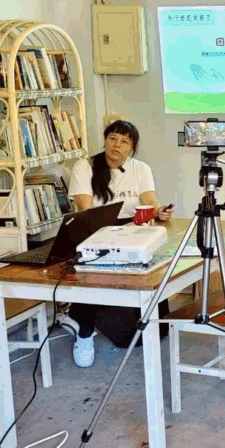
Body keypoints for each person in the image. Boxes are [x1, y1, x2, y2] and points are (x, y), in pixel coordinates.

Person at [62, 120, 173, 367]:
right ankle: (84, 331)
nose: (117, 145)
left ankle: (88, 316)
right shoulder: (85, 166)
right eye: (113, 138)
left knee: (155, 262)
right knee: (94, 276)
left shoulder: (140, 168)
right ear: (105, 140)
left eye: (124, 141)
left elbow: (149, 201)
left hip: (134, 233)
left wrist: (159, 211)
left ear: (132, 147)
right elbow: (86, 209)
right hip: (96, 234)